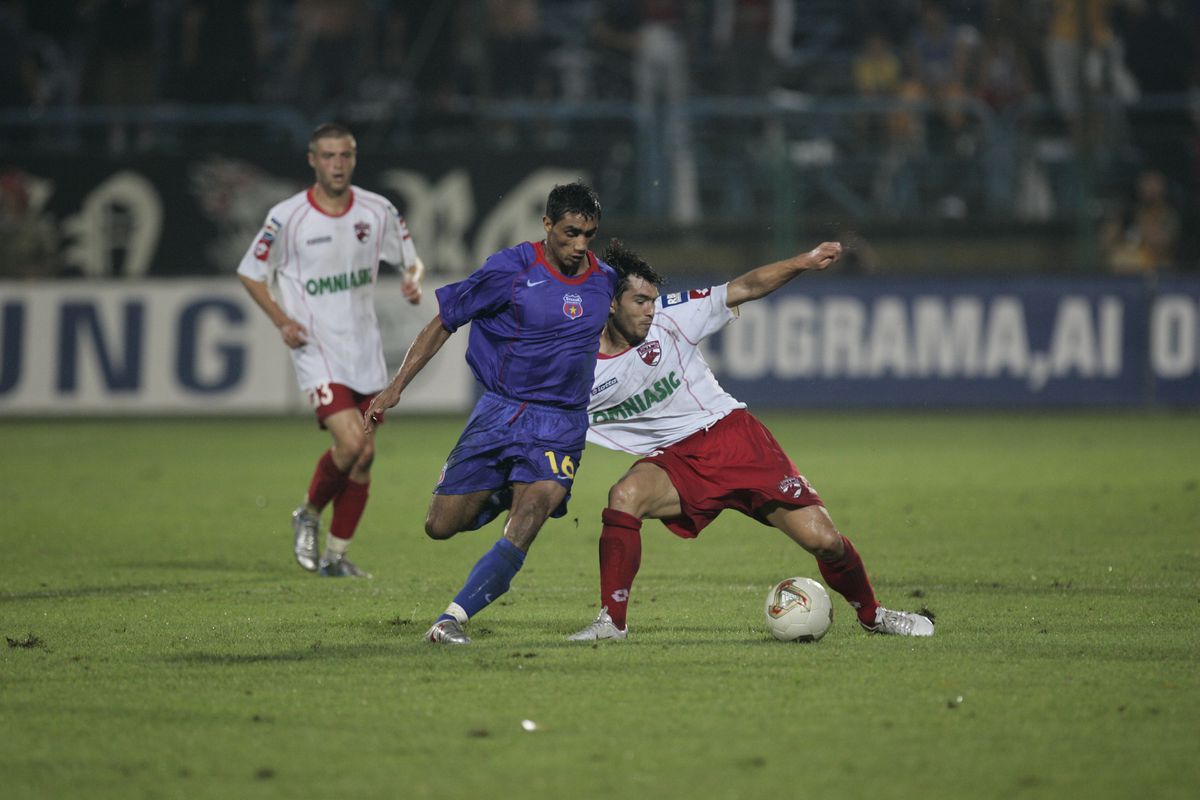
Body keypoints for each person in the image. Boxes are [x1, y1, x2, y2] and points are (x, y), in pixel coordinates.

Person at [568, 239, 936, 641]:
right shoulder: (578, 366)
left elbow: (745, 286)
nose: (649, 310)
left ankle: (873, 615)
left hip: (733, 438)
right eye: (639, 301)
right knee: (625, 495)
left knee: (824, 541)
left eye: (652, 300)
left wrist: (803, 262)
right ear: (610, 303)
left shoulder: (672, 317)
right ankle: (612, 622)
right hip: (676, 461)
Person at [363, 180, 616, 644]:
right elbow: (444, 320)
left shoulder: (606, 281)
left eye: (589, 234)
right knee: (441, 525)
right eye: (570, 233)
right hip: (500, 413)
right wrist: (395, 387)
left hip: (560, 423)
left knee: (533, 512)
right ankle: (506, 487)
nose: (580, 245)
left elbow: (634, 325)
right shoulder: (510, 269)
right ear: (547, 224)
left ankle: (451, 619)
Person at [237, 122, 425, 578]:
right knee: (352, 442)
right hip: (316, 347)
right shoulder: (288, 217)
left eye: (345, 155)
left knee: (365, 456)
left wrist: (412, 280)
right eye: (328, 156)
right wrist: (282, 320)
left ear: (354, 159)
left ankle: (336, 557)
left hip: (364, 348)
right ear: (312, 160)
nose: (337, 164)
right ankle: (308, 514)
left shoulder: (377, 210)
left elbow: (412, 260)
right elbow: (250, 272)